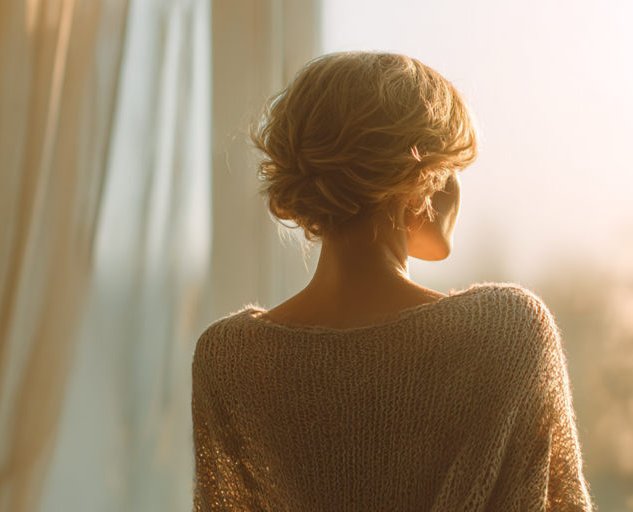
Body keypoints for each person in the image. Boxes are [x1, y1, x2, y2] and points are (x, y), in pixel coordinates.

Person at [192, 51, 593, 511]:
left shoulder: (229, 359)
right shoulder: (507, 332)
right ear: (418, 176)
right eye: (453, 168)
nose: (457, 188)